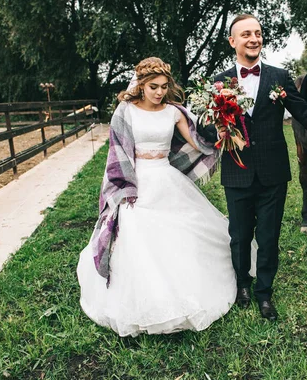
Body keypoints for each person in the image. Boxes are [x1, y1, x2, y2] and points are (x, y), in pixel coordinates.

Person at [199, 14, 307, 321]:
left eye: (258, 33)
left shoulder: (279, 77)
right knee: (238, 236)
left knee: (268, 236)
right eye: (246, 34)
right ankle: (242, 285)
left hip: (273, 173)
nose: (254, 38)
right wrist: (218, 132)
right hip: (236, 172)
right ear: (232, 42)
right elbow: (207, 127)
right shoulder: (220, 82)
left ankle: (264, 293)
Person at [77, 57, 240, 337]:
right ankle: (147, 301)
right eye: (153, 86)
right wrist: (126, 188)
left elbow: (197, 142)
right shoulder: (125, 112)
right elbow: (117, 154)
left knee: (183, 234)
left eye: (164, 87)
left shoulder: (174, 112)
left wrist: (225, 134)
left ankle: (189, 290)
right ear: (140, 85)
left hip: (167, 179)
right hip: (136, 182)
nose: (159, 92)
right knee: (136, 237)